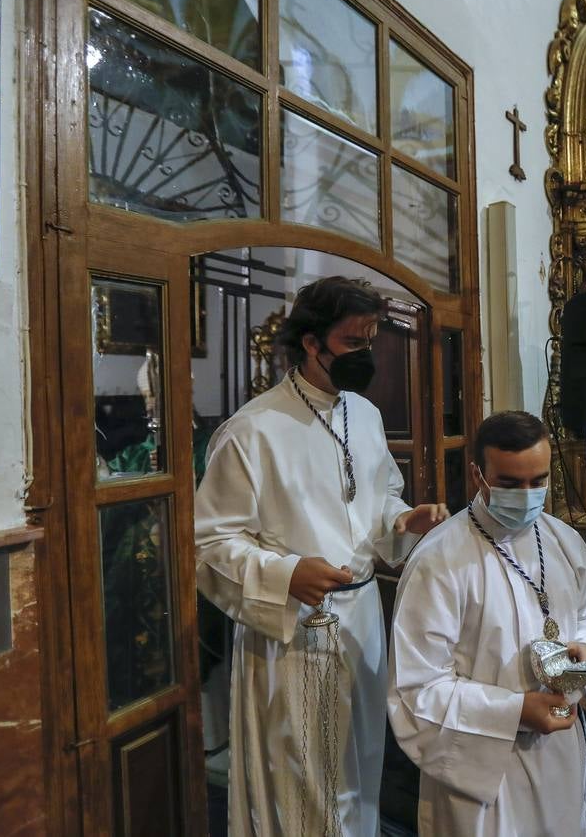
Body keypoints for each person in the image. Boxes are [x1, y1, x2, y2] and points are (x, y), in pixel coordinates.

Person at [194, 276, 449, 837]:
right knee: (302, 778)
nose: (366, 355)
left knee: (358, 766)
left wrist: (402, 521)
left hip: (361, 621)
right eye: (353, 343)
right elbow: (210, 544)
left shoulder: (364, 415)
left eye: (371, 341)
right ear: (312, 343)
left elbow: (378, 496)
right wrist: (286, 575)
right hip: (292, 630)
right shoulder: (253, 430)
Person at [388, 411, 586, 836]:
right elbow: (416, 690)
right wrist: (514, 712)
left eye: (539, 481)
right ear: (479, 475)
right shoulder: (439, 561)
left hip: (560, 756)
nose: (528, 495)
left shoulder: (562, 540)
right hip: (483, 779)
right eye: (511, 484)